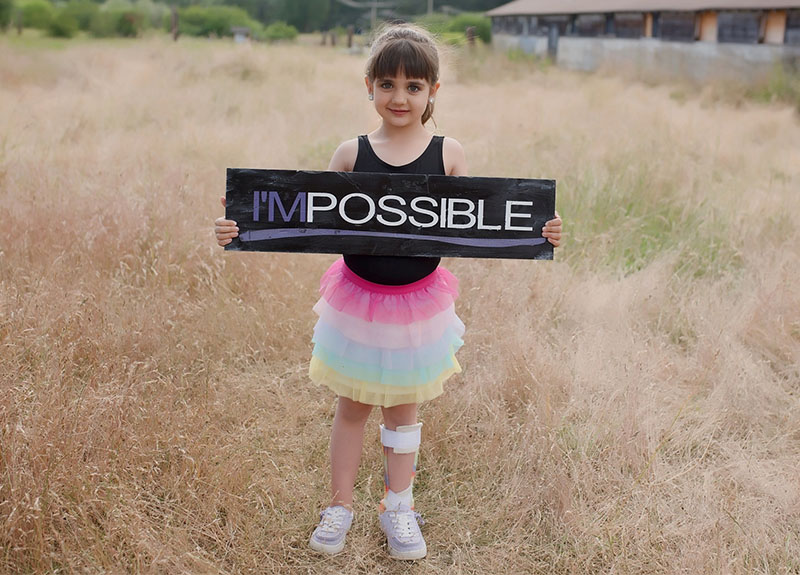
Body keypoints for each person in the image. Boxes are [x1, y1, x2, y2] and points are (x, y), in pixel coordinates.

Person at [214, 23, 562, 561]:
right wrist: (243, 222)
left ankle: (398, 507)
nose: (400, 98)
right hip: (358, 301)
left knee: (403, 410)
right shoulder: (351, 152)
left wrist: (538, 230)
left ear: (433, 93)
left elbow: (481, 220)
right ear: (369, 86)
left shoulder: (449, 155)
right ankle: (339, 508)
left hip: (417, 305)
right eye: (388, 85)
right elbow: (307, 216)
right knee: (351, 406)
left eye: (414, 87)